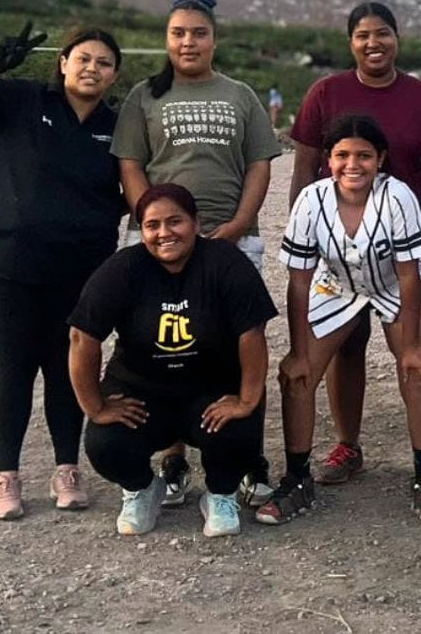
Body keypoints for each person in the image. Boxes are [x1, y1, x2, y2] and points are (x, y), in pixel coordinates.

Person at [0, 22, 125, 520]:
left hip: (83, 273)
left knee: (67, 371)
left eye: (104, 63)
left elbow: (137, 190)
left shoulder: (119, 125)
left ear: (114, 76)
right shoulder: (18, 101)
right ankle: (7, 477)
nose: (92, 68)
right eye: (83, 58)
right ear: (63, 62)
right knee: (15, 368)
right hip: (6, 268)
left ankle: (67, 469)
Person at [111, 0, 281, 507]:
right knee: (165, 349)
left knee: (237, 350)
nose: (189, 41)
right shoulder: (145, 96)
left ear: (214, 39)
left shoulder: (241, 96)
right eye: (179, 32)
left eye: (199, 32)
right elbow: (131, 166)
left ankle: (244, 462)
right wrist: (156, 228)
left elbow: (258, 164)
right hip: (159, 243)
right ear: (167, 39)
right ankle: (174, 459)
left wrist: (236, 225)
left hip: (229, 241)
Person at [288, 2, 421, 487]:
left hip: (401, 244)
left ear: (397, 38)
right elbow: (304, 169)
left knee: (417, 351)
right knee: (347, 345)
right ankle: (348, 445)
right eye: (362, 35)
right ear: (351, 42)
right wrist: (310, 233)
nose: (373, 43)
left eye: (382, 34)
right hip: (339, 242)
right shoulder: (326, 92)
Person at [256, 114, 421, 525]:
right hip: (335, 285)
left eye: (364, 155)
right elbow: (299, 280)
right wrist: (297, 350)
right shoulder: (312, 199)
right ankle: (296, 478)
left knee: (419, 370)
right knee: (298, 374)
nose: (353, 164)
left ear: (380, 158)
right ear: (327, 158)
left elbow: (408, 273)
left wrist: (413, 346)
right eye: (342, 155)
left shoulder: (397, 196)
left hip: (395, 285)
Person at [69, 184, 277, 537]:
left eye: (174, 221)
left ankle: (220, 493)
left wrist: (246, 400)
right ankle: (142, 489)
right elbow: (81, 336)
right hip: (142, 392)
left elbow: (251, 334)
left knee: (240, 430)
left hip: (210, 391)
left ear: (196, 223)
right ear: (142, 231)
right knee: (106, 443)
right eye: (152, 225)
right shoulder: (124, 269)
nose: (164, 233)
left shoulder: (225, 262)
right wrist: (95, 406)